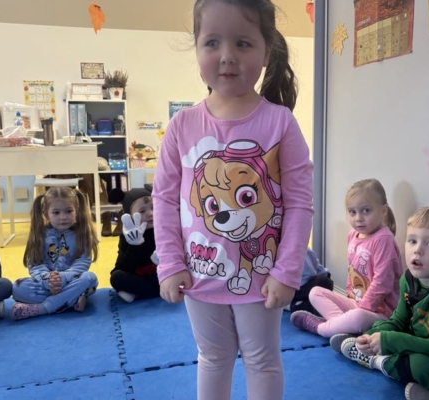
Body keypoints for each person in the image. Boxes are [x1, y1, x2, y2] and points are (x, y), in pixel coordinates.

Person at [152, 0, 314, 399]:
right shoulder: (182, 125)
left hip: (261, 276)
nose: (227, 56)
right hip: (200, 273)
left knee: (262, 360)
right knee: (212, 357)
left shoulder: (279, 122)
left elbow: (299, 203)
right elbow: (164, 199)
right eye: (212, 43)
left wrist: (287, 271)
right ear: (197, 49)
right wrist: (170, 263)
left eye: (243, 43)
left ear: (266, 51)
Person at [339, 207, 429, 400]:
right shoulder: (409, 279)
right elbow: (398, 320)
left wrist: (390, 341)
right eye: (412, 241)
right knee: (382, 329)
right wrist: (370, 336)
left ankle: (378, 362)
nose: (417, 250)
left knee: (420, 365)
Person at [291, 179, 403, 350]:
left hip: (381, 313)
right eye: (352, 212)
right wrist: (350, 297)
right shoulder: (353, 235)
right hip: (357, 303)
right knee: (315, 292)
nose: (358, 218)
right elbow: (352, 270)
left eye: (366, 211)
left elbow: (383, 283)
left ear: (383, 211)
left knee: (357, 317)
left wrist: (361, 308)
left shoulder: (383, 239)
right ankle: (342, 328)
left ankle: (319, 327)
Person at [11, 186, 99, 321]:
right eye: (56, 213)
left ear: (76, 211)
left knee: (90, 278)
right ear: (46, 214)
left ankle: (43, 308)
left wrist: (63, 278)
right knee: (17, 288)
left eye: (69, 211)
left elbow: (82, 263)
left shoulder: (82, 234)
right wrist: (48, 280)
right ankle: (69, 301)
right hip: (46, 285)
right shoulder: (39, 234)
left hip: (71, 281)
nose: (63, 217)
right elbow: (35, 263)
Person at [110, 184, 160, 303]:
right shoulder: (127, 235)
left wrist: (163, 260)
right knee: (116, 277)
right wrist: (134, 245)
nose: (150, 213)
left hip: (157, 275)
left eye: (153, 208)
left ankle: (138, 293)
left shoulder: (162, 230)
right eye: (142, 211)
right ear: (130, 215)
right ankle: (152, 291)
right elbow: (123, 267)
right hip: (136, 274)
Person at [285, 248, 334, 316]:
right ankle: (293, 305)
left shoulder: (303, 251)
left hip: (309, 283)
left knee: (325, 282)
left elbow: (311, 274)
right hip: (297, 287)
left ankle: (292, 304)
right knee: (324, 284)